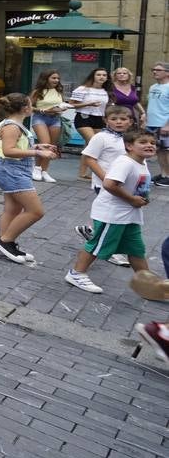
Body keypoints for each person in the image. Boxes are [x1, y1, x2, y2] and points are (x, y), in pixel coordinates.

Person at [63, 129, 156, 294]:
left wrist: (142, 198)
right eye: (143, 142)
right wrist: (132, 200)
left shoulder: (141, 162)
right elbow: (109, 184)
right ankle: (76, 273)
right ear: (129, 146)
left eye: (152, 143)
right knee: (98, 244)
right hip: (113, 214)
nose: (149, 145)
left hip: (129, 215)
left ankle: (147, 285)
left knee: (136, 249)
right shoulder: (125, 163)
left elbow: (138, 185)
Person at [0, 92, 57, 264]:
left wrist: (37, 145)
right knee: (36, 211)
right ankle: (4, 241)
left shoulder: (15, 125)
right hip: (12, 171)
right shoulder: (12, 127)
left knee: (12, 210)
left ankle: (5, 243)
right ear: (25, 108)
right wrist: (38, 152)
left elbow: (17, 146)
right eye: (30, 104)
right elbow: (9, 150)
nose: (32, 107)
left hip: (13, 170)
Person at [73, 105, 137, 267]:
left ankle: (91, 232)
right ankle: (109, 251)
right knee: (111, 217)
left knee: (114, 216)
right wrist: (105, 179)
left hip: (124, 185)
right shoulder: (101, 137)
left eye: (123, 119)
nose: (119, 122)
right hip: (105, 184)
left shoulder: (130, 138)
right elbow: (89, 158)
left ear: (130, 121)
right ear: (106, 120)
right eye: (114, 119)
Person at [67, 68, 110, 178]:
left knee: (89, 146)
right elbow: (71, 104)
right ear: (93, 76)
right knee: (95, 143)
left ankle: (83, 173)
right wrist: (87, 104)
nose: (101, 77)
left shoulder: (106, 91)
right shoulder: (83, 89)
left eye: (104, 75)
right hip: (84, 117)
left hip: (99, 119)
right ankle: (97, 172)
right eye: (98, 75)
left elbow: (106, 107)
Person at [28, 69, 65, 183]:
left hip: (55, 119)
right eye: (53, 78)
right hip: (40, 118)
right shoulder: (37, 92)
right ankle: (37, 168)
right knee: (45, 143)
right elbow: (29, 107)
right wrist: (42, 110)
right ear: (46, 78)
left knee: (52, 146)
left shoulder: (58, 91)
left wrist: (62, 108)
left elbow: (60, 104)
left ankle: (45, 171)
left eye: (57, 78)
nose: (56, 80)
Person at [146, 61, 169, 186]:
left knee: (167, 150)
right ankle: (164, 174)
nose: (155, 72)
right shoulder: (153, 87)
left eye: (158, 70)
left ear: (167, 73)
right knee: (159, 150)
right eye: (153, 69)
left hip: (164, 124)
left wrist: (167, 125)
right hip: (152, 124)